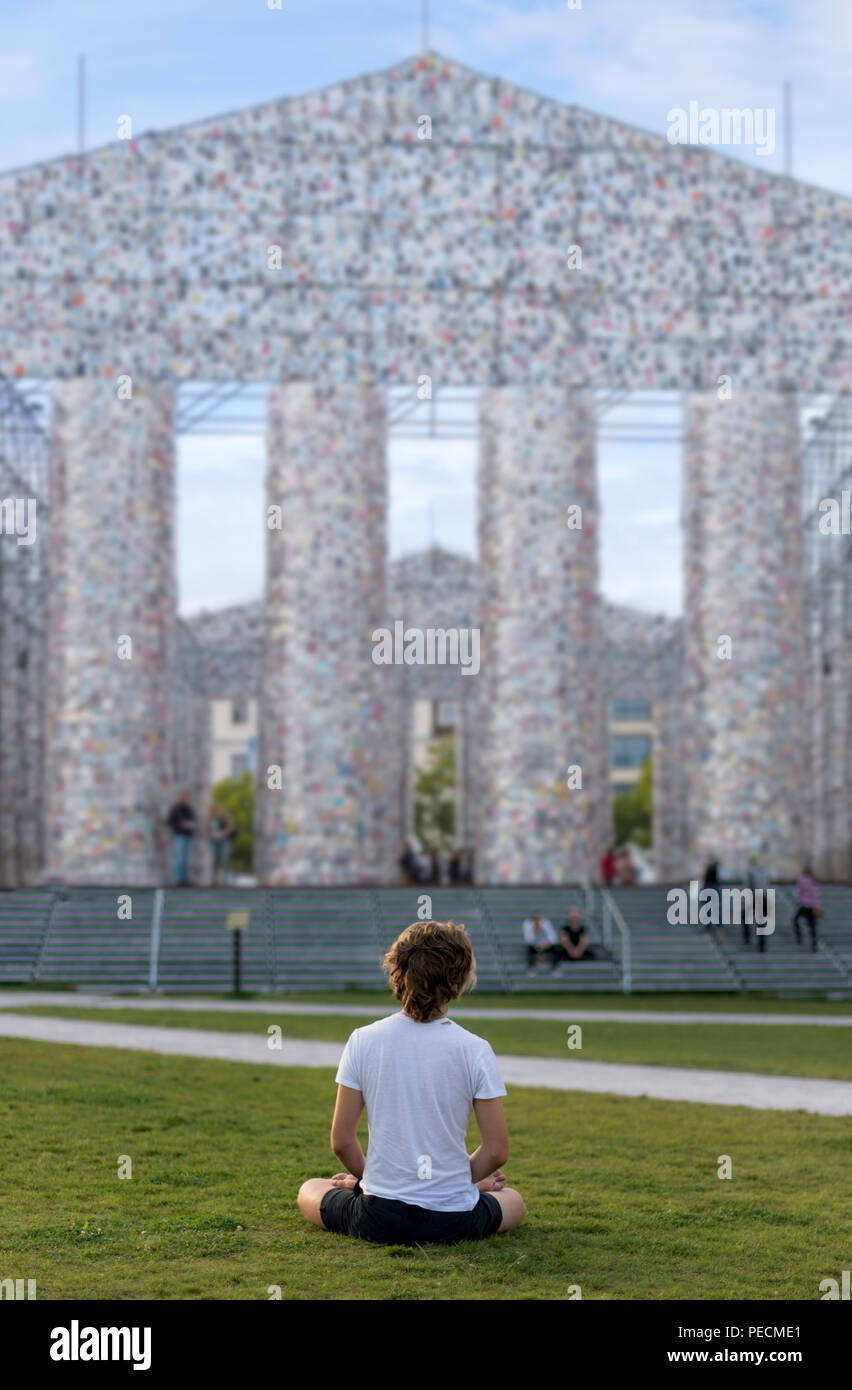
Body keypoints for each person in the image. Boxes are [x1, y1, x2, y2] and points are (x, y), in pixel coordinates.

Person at [296, 919, 526, 1245]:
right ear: (458, 980)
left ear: (396, 972)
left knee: (310, 1188)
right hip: (453, 1220)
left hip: (379, 1218)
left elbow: (342, 1141)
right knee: (514, 1200)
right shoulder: (475, 1049)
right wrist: (455, 1182)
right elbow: (496, 1151)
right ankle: (463, 1191)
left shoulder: (363, 1040)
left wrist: (370, 1180)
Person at [167, 791, 196, 886]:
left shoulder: (189, 809)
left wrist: (189, 825)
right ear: (180, 797)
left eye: (187, 797)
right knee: (179, 858)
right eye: (184, 797)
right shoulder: (175, 808)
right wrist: (180, 824)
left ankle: (184, 879)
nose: (185, 799)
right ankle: (178, 880)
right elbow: (170, 821)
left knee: (185, 859)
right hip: (178, 835)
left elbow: (194, 821)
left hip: (187, 835)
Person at [793, 866, 821, 951]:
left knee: (795, 920)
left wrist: (800, 899)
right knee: (813, 927)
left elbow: (797, 893)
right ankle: (814, 945)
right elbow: (816, 894)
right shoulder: (814, 881)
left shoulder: (802, 880)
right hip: (813, 906)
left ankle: (799, 938)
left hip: (804, 905)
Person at [745, 854, 770, 952]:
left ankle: (747, 939)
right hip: (764, 897)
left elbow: (750, 885)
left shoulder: (751, 872)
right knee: (761, 922)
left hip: (755, 896)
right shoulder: (765, 871)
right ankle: (762, 945)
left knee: (745, 917)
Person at [207, 801, 236, 886]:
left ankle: (225, 880)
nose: (214, 810)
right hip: (214, 841)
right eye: (213, 809)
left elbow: (232, 827)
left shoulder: (225, 816)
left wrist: (225, 832)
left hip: (224, 841)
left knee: (224, 860)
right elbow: (207, 829)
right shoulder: (210, 818)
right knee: (214, 861)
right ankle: (214, 880)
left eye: (216, 809)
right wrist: (208, 834)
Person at [701, 856, 724, 946]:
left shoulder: (709, 868)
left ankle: (710, 933)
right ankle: (718, 934)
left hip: (708, 889)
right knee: (715, 913)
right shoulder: (715, 867)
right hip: (714, 889)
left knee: (708, 912)